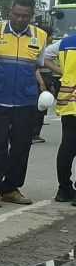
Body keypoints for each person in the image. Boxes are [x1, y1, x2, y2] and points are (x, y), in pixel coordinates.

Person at [0, 0, 48, 208]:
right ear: (10, 12)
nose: (20, 19)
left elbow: (36, 64)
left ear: (32, 16)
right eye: (17, 14)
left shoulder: (40, 36)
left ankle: (11, 188)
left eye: (25, 16)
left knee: (21, 145)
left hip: (25, 100)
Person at [46, 34, 76, 203]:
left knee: (67, 147)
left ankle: (64, 189)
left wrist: (64, 72)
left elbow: (44, 57)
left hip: (69, 101)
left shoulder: (66, 42)